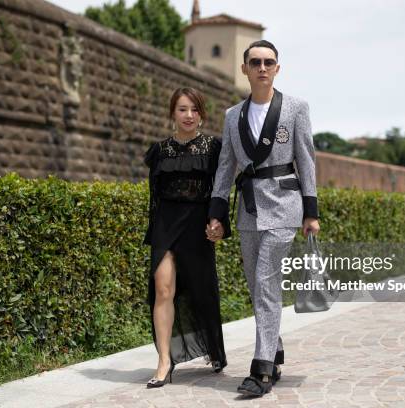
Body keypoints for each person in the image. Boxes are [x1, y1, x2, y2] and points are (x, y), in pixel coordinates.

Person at [207, 40, 320, 397]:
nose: (262, 68)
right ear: (244, 69)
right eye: (255, 62)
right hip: (249, 210)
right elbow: (226, 166)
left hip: (285, 206)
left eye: (268, 62)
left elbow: (306, 158)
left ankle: (262, 370)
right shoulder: (231, 116)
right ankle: (275, 345)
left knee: (266, 283)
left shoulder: (295, 108)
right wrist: (216, 211)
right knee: (256, 287)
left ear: (277, 68)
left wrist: (311, 211)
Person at [143, 87, 229, 388]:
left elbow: (221, 190)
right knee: (162, 289)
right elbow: (154, 198)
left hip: (197, 225)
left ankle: (214, 349)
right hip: (166, 226)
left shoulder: (214, 148)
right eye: (182, 109)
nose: (188, 115)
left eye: (194, 109)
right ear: (172, 113)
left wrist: (219, 224)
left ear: (202, 114)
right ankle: (164, 362)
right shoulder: (160, 151)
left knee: (203, 291)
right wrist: (154, 232)